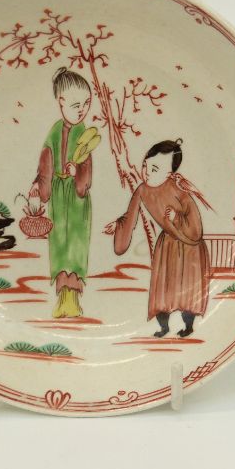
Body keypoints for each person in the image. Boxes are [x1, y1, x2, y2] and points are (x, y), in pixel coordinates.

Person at [105, 139, 211, 338]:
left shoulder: (179, 190)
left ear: (169, 174)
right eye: (145, 166)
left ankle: (188, 326)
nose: (146, 173)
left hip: (190, 249)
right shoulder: (142, 190)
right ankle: (164, 327)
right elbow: (130, 216)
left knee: (187, 290)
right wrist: (118, 224)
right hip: (167, 246)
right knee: (163, 290)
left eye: (154, 169)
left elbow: (196, 229)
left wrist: (176, 218)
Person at [29, 67, 97, 318]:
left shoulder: (84, 133)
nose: (82, 110)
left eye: (86, 104)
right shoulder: (55, 130)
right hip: (58, 195)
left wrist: (77, 172)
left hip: (77, 199)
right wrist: (39, 185)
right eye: (76, 105)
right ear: (61, 102)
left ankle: (73, 300)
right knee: (59, 243)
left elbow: (87, 167)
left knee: (76, 245)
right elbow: (45, 162)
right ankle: (61, 299)